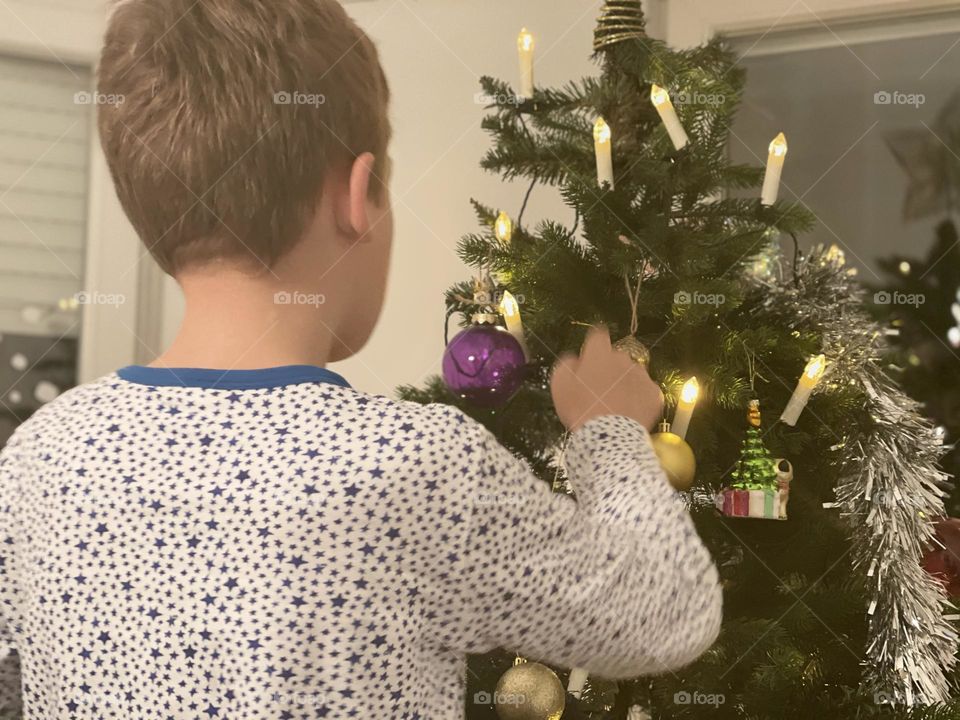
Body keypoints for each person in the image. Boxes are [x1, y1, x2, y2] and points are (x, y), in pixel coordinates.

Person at [0, 0, 722, 716]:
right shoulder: (415, 469)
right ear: (357, 195)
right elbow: (664, 612)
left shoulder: (39, 459)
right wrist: (612, 434)